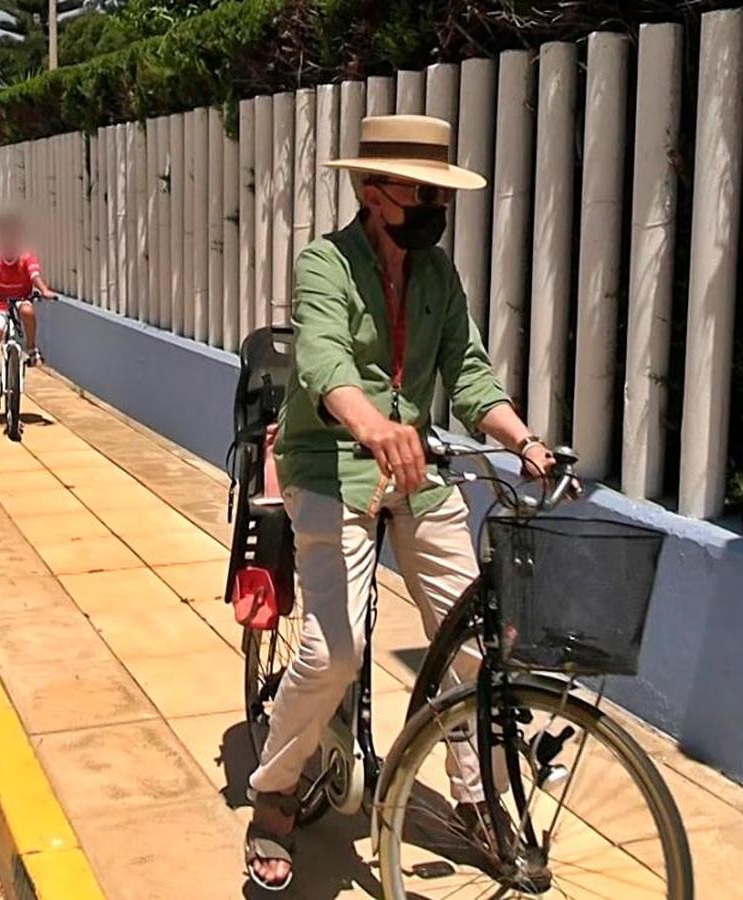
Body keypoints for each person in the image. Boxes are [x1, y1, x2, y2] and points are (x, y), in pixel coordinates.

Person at [244, 114, 554, 892]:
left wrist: (524, 441)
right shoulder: (325, 265)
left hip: (416, 469)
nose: (431, 206)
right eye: (419, 191)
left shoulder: (438, 275)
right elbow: (322, 362)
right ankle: (274, 791)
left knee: (475, 644)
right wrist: (375, 424)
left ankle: (475, 797)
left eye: (436, 192)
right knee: (332, 653)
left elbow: (471, 374)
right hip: (331, 466)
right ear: (373, 190)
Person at [0, 210, 55, 413]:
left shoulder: (26, 258)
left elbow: (35, 276)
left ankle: (32, 349)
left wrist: (44, 291)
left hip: (20, 301)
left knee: (27, 310)